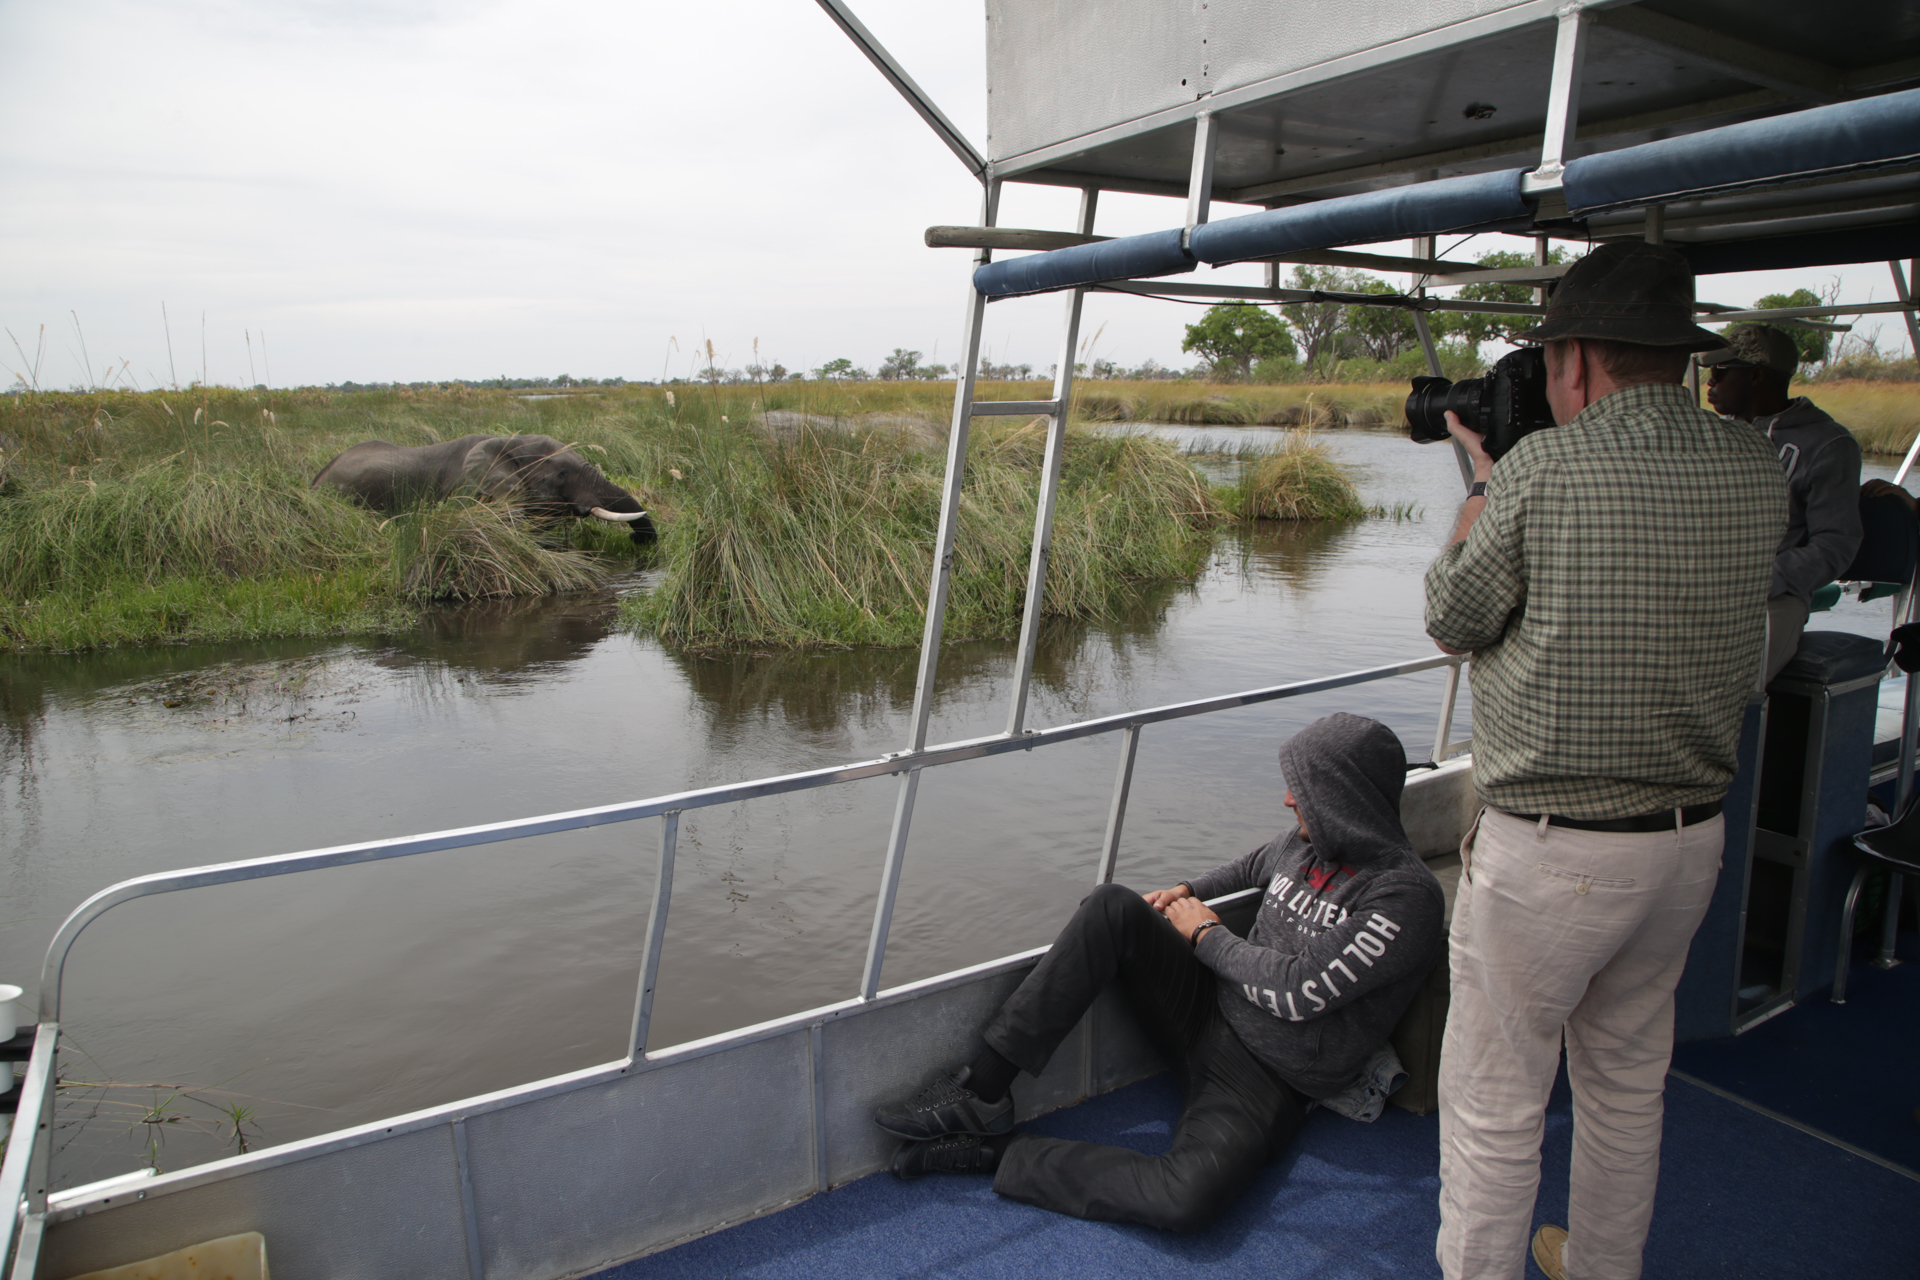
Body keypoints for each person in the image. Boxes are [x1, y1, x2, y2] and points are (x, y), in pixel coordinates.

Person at [1423, 241, 1787, 1280]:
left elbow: (1454, 618)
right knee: (1628, 1079)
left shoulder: (1541, 469)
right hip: (1687, 842)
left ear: (1574, 359)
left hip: (1551, 856)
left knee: (1496, 1097)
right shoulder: (1754, 465)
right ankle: (1599, 1264)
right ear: (1676, 356)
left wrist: (1487, 492)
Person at [872, 712, 1443, 1233]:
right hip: (1208, 1009)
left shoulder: (1402, 897)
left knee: (1185, 1201)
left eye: (1305, 790)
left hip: (1271, 1079)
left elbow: (1298, 993)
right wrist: (1190, 891)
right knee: (1113, 907)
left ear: (1344, 799)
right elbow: (1250, 865)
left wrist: (1204, 933)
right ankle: (983, 1092)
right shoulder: (1306, 845)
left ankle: (994, 1155)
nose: (1290, 801)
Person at [1701, 323, 1864, 684]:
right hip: (1702, 587)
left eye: (1720, 373)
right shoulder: (1710, 436)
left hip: (1774, 598)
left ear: (1756, 375)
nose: (1710, 383)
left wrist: (1758, 579)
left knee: (1720, 684)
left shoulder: (1828, 444)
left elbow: (1835, 544)